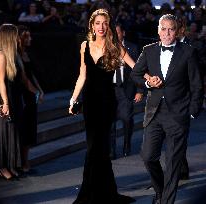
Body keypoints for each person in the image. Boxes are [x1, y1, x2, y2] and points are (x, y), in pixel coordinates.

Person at [131, 14, 203, 204]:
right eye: (163, 29)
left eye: (171, 29)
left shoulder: (188, 52)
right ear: (158, 31)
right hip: (154, 113)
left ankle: (166, 201)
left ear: (177, 31)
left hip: (178, 115)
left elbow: (197, 84)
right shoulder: (149, 51)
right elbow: (135, 74)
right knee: (147, 156)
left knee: (173, 164)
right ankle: (160, 190)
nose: (167, 33)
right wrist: (148, 82)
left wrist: (193, 111)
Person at [69, 9, 136, 204]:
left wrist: (149, 77)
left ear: (109, 26)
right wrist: (73, 99)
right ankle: (101, 191)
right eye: (97, 23)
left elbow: (134, 65)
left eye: (104, 23)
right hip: (90, 102)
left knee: (99, 147)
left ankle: (95, 193)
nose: (101, 27)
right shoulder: (84, 45)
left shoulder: (115, 46)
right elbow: (82, 75)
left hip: (107, 101)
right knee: (94, 146)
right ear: (92, 25)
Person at [0, 24, 38, 180]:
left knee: (14, 134)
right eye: (14, 36)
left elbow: (23, 79)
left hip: (16, 98)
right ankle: (1, 167)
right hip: (7, 99)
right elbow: (1, 82)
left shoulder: (12, 56)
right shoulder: (0, 55)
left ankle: (11, 165)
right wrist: (5, 103)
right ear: (7, 37)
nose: (17, 39)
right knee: (5, 134)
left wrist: (36, 92)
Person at [110, 22, 144, 159]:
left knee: (126, 119)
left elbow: (139, 70)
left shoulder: (133, 48)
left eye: (117, 32)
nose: (114, 35)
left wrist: (140, 90)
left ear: (123, 33)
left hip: (127, 90)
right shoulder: (106, 48)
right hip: (110, 90)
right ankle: (111, 151)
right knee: (109, 122)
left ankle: (126, 145)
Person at [18, 25, 44, 173]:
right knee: (24, 129)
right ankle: (22, 162)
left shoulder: (27, 54)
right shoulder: (16, 55)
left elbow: (32, 75)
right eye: (27, 36)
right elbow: (24, 79)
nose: (30, 39)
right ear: (20, 38)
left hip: (31, 96)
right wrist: (35, 92)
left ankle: (25, 161)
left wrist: (40, 90)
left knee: (30, 129)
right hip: (23, 95)